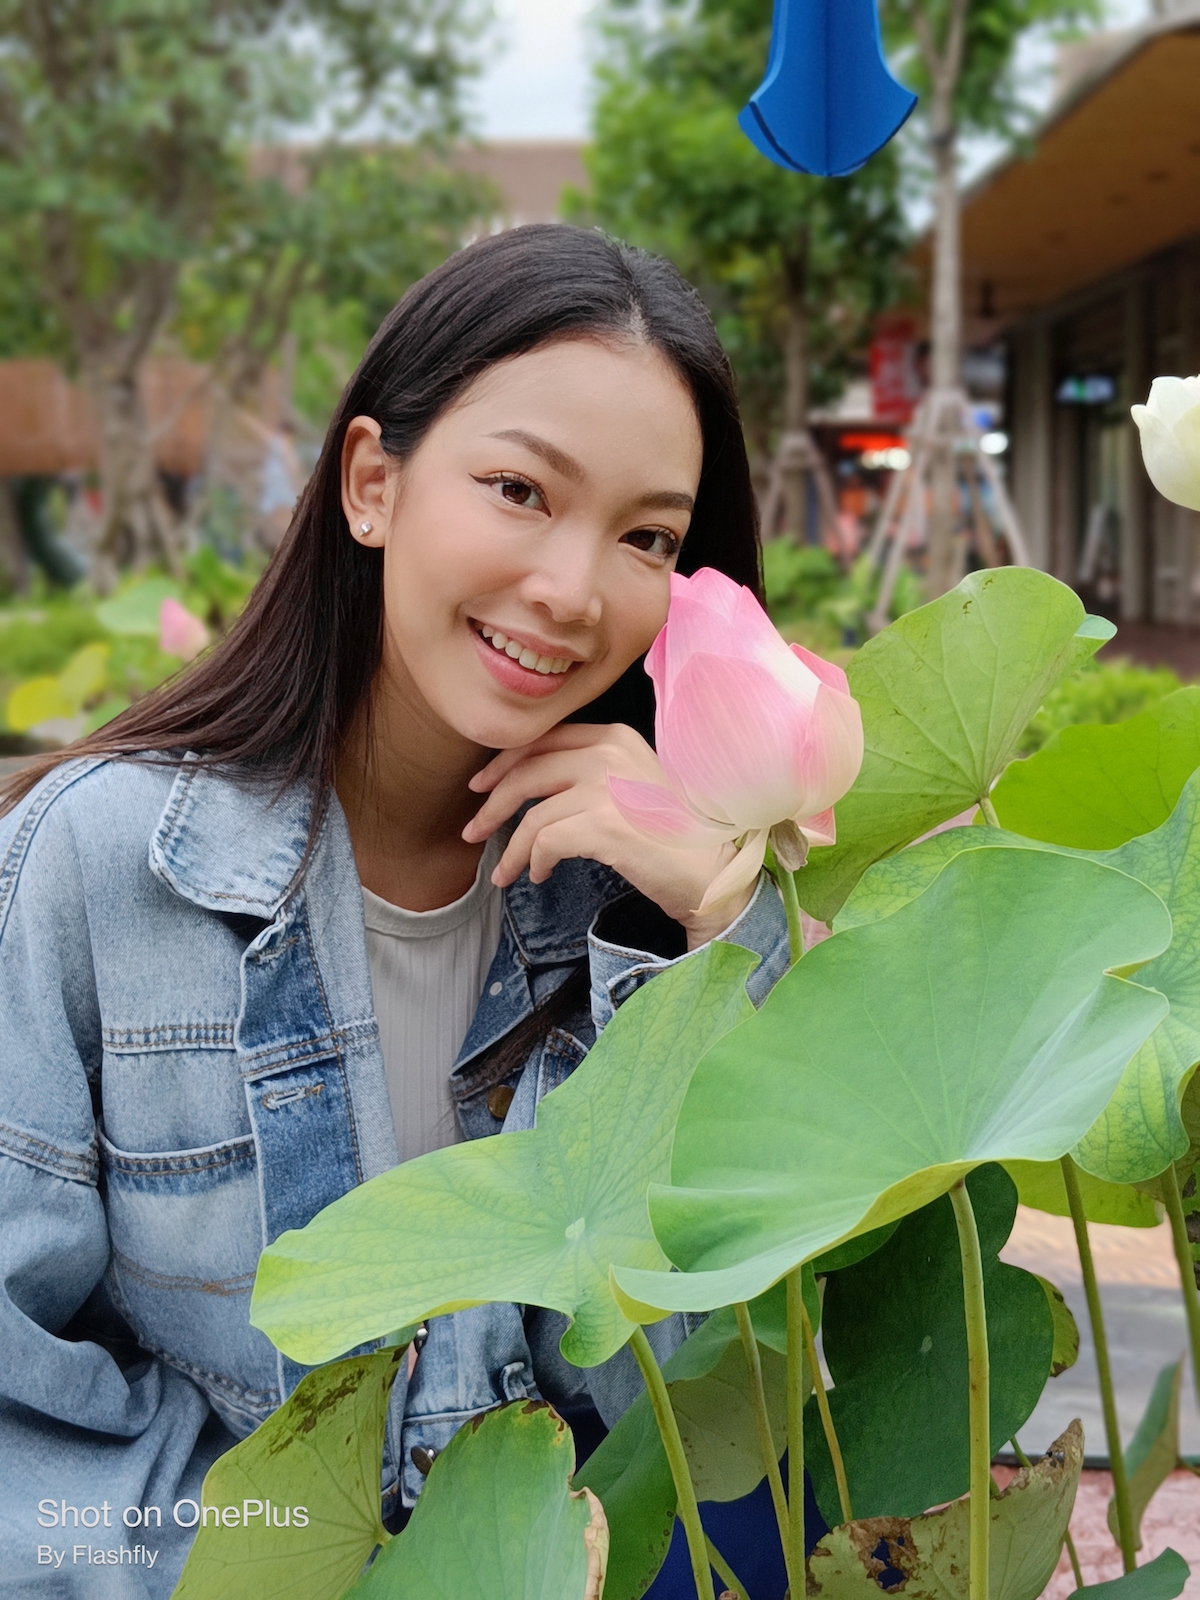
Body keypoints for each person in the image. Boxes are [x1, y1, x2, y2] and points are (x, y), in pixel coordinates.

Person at [0, 225, 792, 1597]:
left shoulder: (643, 906)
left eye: (647, 536)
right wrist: (291, 1563)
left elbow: (696, 1408)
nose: (572, 589)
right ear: (374, 483)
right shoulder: (100, 866)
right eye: (520, 490)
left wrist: (721, 939)